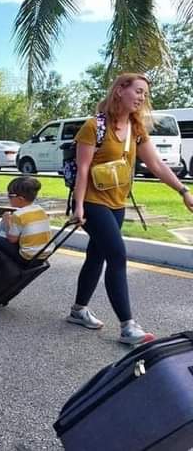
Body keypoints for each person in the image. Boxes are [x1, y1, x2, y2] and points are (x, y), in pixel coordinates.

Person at [67, 73, 193, 345]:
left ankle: (78, 310)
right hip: (92, 202)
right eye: (137, 91)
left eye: (144, 94)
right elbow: (83, 169)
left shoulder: (136, 129)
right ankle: (128, 326)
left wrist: (183, 191)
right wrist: (78, 206)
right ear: (120, 90)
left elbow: (157, 165)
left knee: (96, 255)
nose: (141, 98)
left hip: (117, 202)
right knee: (117, 255)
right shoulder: (95, 126)